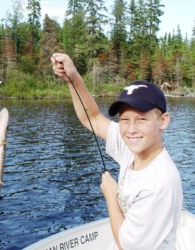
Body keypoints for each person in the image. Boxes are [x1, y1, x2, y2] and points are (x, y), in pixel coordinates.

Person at [51, 53, 183, 250]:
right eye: (124, 119)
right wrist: (73, 78)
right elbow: (92, 118)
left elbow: (126, 246)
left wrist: (111, 196)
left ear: (163, 121)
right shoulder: (132, 147)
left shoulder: (159, 184)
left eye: (141, 119)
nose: (131, 129)